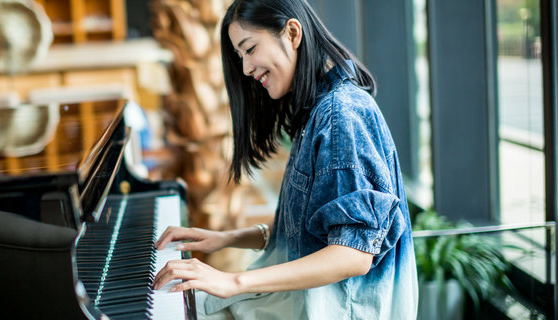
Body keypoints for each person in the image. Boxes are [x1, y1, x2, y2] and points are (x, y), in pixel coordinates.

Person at [152, 0, 418, 319]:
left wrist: (233, 281)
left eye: (249, 49)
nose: (247, 69)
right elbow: (311, 231)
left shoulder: (341, 116)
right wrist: (224, 239)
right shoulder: (318, 111)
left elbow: (352, 254)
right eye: (240, 57)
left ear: (292, 33)